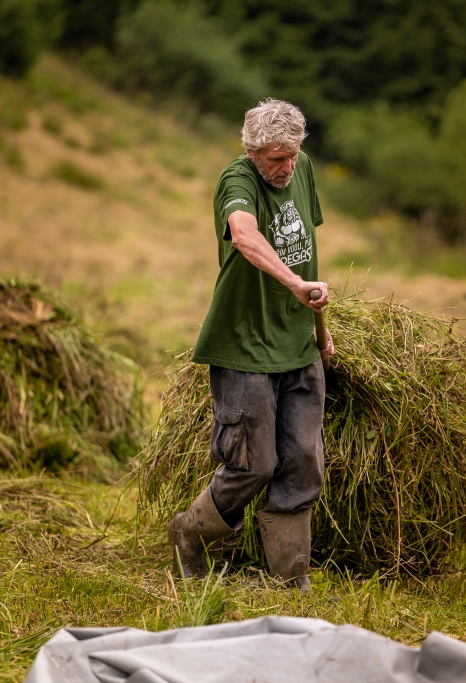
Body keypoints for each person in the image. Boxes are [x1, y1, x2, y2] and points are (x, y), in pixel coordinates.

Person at [168, 99, 335, 589]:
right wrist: (292, 284)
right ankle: (190, 534)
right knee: (254, 463)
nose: (285, 168)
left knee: (304, 462)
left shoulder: (300, 168)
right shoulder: (236, 180)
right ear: (251, 150)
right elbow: (244, 235)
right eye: (274, 158)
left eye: (292, 156)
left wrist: (321, 329)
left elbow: (306, 250)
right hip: (244, 345)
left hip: (298, 343)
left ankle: (290, 577)